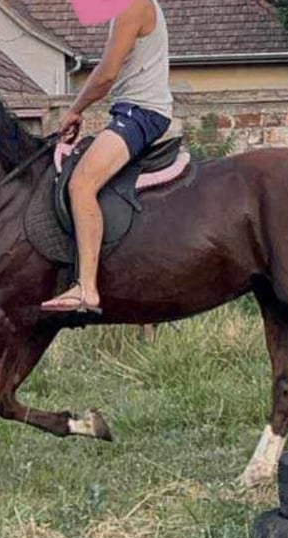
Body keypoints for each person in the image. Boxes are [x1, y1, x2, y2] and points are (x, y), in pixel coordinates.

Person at [40, 0, 173, 315]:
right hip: (130, 111)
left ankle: (87, 288)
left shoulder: (134, 6)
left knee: (82, 184)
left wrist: (74, 109)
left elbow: (106, 74)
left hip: (142, 113)